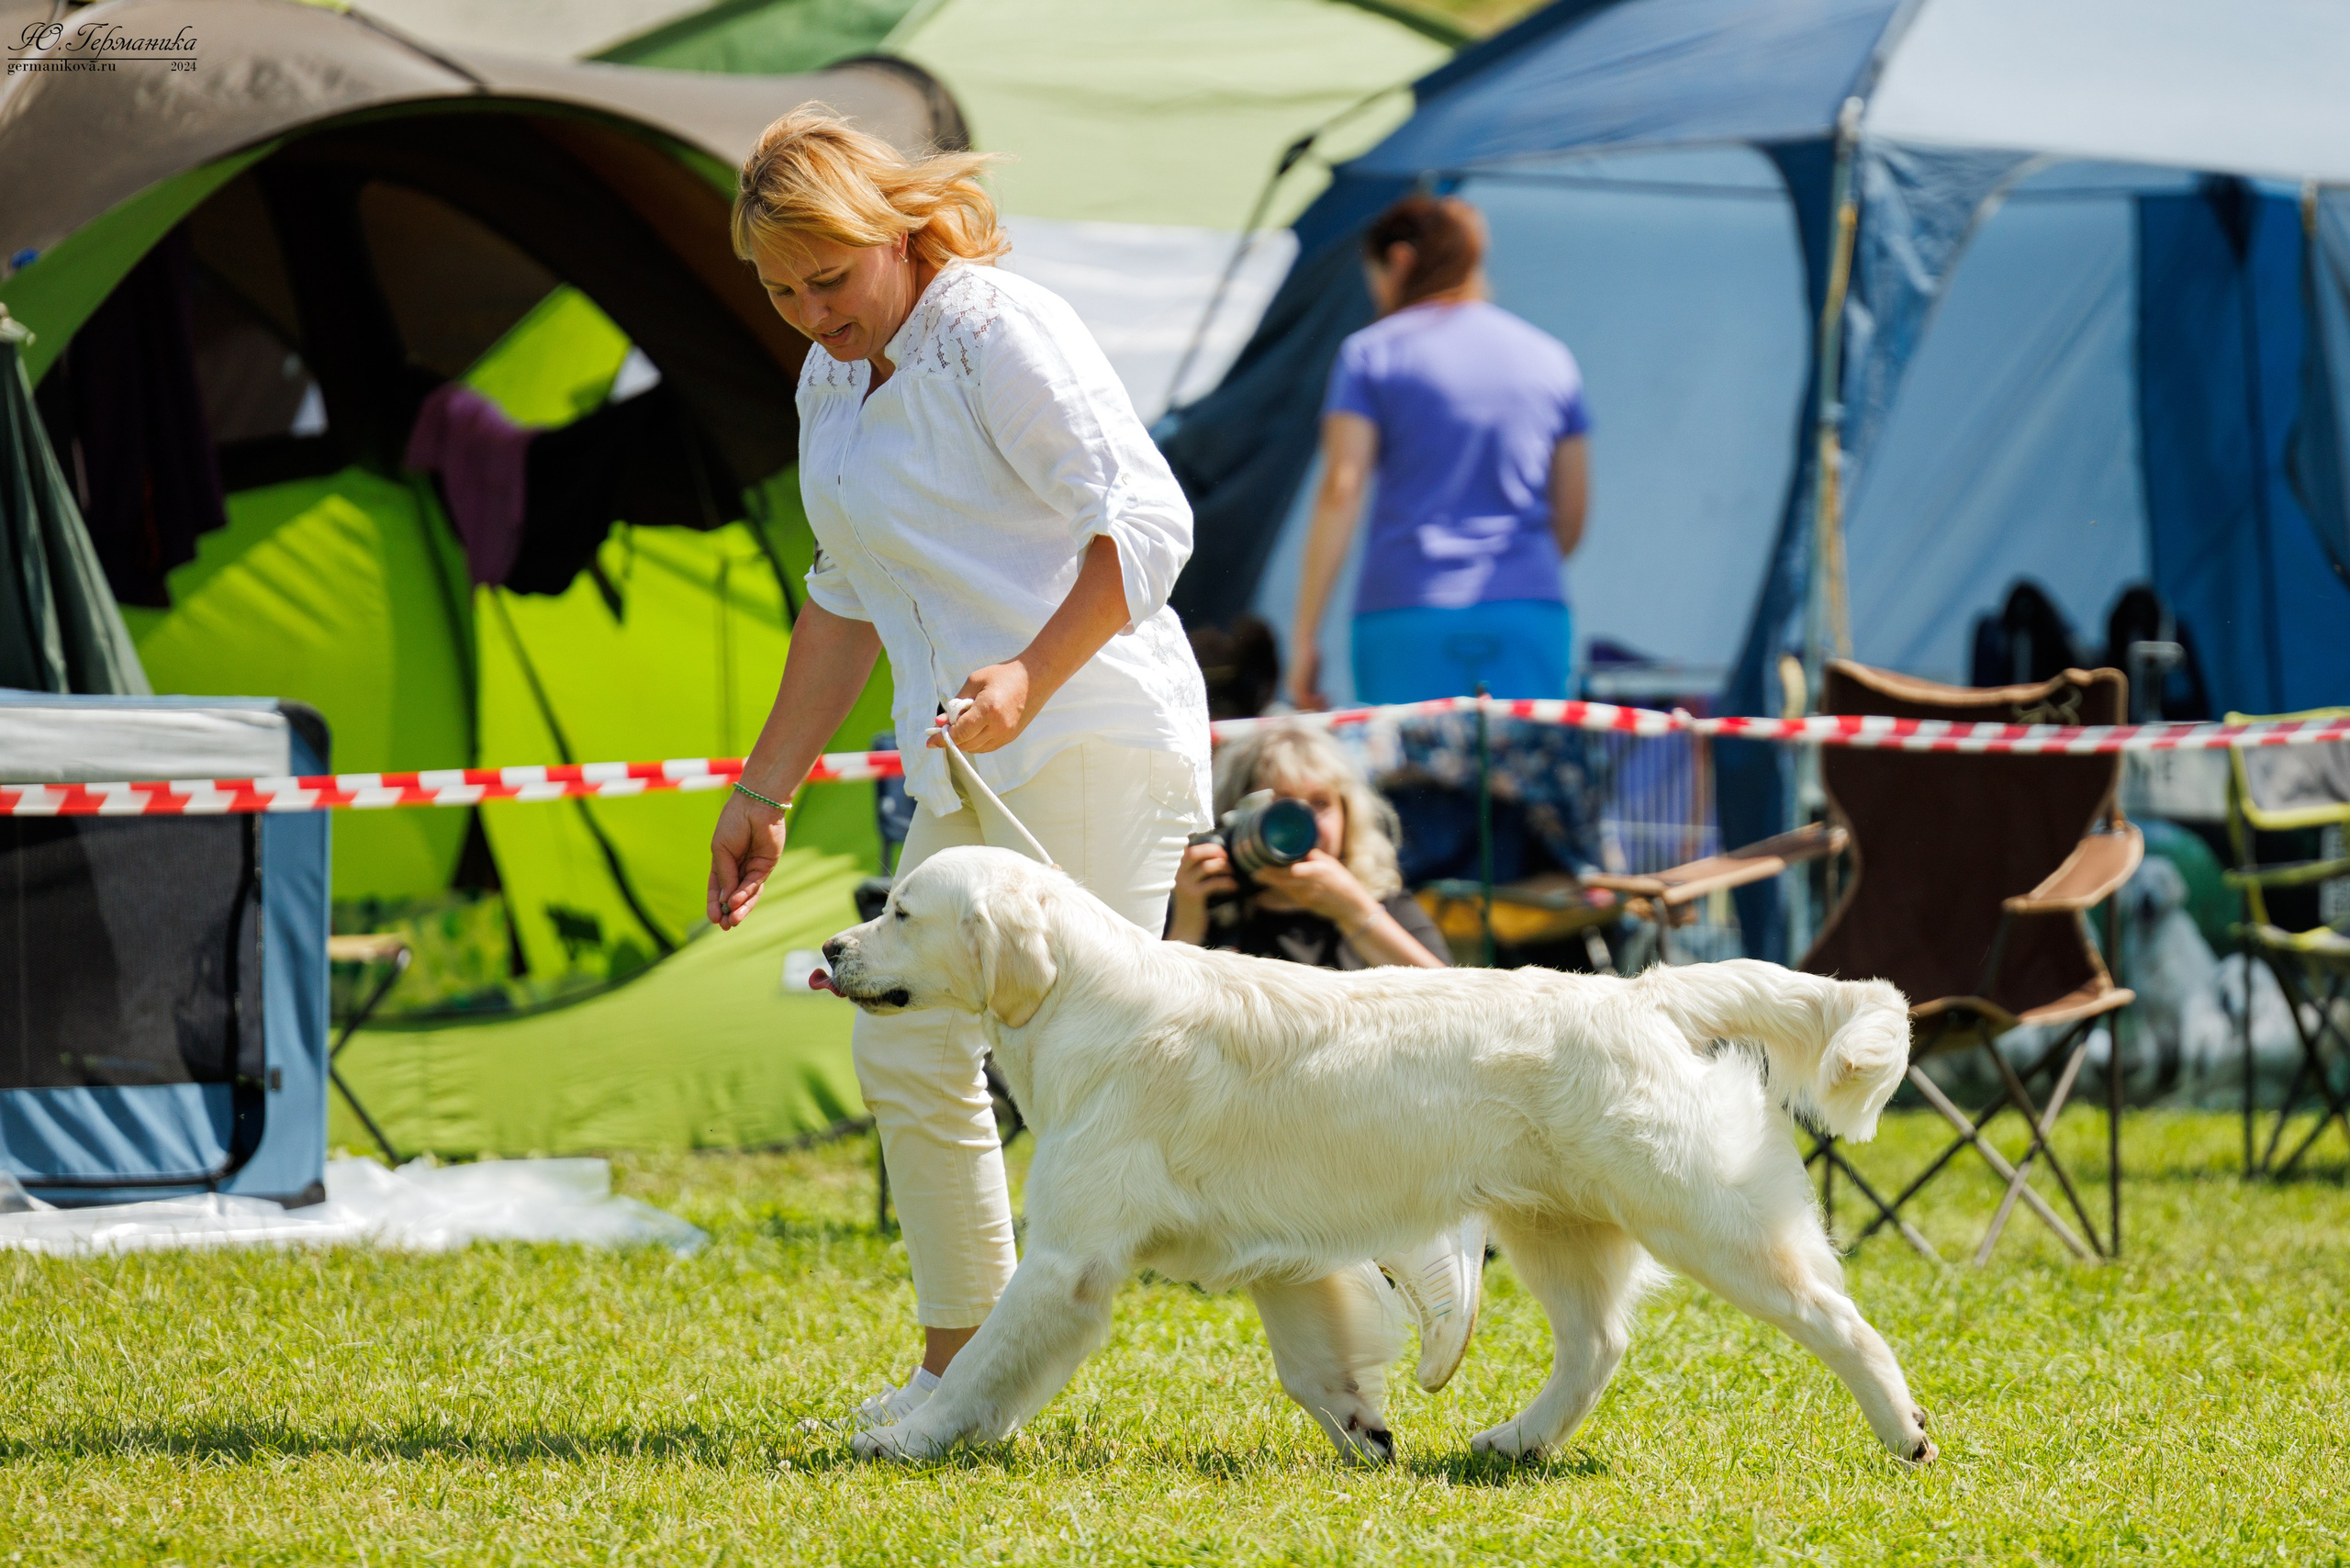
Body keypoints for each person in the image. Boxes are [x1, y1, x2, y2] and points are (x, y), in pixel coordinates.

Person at [706, 107, 1214, 1430]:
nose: (815, 311)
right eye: (783, 292)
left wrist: (1030, 674)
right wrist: (764, 794)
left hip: (1095, 735)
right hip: (967, 771)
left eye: (834, 278)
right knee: (909, 1040)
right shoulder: (831, 378)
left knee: (1122, 1087)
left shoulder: (996, 329)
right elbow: (847, 596)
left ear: (897, 232)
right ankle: (962, 1372)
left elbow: (1148, 520)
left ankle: (1397, 1255)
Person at [1167, 721, 1485, 1391]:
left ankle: (1393, 1245)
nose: (1302, 821)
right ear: (1236, 817)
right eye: (1278, 802)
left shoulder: (1378, 903)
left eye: (1321, 803)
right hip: (1257, 1138)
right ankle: (1396, 1247)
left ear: (1348, 813)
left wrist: (1356, 914)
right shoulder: (1215, 909)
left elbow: (1469, 1012)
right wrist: (1188, 919)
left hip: (1375, 1123)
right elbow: (1158, 1044)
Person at [1290, 194, 1592, 711]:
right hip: (1528, 612)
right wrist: (1518, 570)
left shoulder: (1370, 353)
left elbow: (1342, 489)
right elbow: (1573, 510)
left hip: (1406, 613)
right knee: (1528, 788)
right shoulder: (1551, 358)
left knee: (1406, 790)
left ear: (1401, 261)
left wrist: (1304, 636)